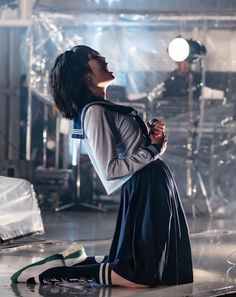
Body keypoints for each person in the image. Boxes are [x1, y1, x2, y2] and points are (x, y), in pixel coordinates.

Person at [11, 45, 193, 288]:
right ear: (86, 74)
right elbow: (110, 169)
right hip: (146, 185)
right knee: (138, 275)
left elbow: (141, 153)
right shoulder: (94, 112)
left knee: (161, 267)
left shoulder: (104, 108)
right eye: (95, 57)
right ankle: (47, 275)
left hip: (156, 181)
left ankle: (77, 263)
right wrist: (151, 149)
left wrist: (150, 141)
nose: (103, 59)